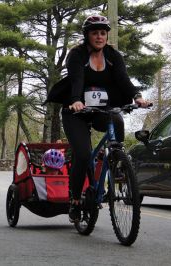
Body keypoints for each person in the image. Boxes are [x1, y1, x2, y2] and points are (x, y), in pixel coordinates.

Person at [61, 15, 150, 222]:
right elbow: (77, 80)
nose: (99, 37)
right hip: (76, 112)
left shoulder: (113, 55)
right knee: (83, 155)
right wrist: (75, 100)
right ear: (87, 35)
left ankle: (117, 160)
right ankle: (75, 200)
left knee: (117, 118)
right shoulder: (77, 55)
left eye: (103, 33)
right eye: (95, 33)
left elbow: (123, 79)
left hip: (101, 110)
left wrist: (137, 97)